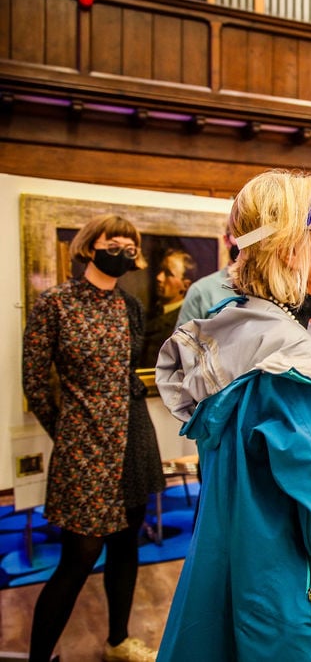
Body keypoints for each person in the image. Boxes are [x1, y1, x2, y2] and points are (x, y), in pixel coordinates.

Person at [155, 169, 311, 661]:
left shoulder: (236, 335)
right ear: (289, 248)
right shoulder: (290, 364)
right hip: (298, 609)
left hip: (239, 587)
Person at [22, 214, 165, 662]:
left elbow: (127, 375)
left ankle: (119, 640)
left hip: (134, 435)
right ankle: (40, 656)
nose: (122, 250)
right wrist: (68, 434)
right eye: (114, 242)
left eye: (130, 245)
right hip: (83, 447)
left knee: (127, 546)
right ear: (90, 246)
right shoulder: (55, 303)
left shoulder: (131, 307)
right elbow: (35, 383)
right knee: (78, 558)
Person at [142, 248, 196, 366]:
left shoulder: (184, 321)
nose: (159, 277)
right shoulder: (147, 314)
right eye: (160, 270)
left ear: (185, 285)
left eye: (168, 274)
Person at [175, 228, 238, 325]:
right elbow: (182, 339)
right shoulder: (201, 290)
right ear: (226, 240)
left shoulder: (267, 289)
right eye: (238, 235)